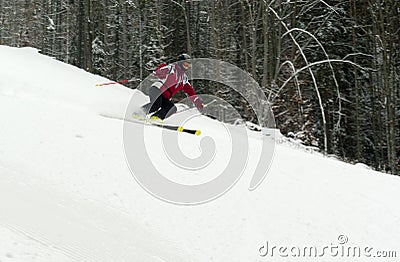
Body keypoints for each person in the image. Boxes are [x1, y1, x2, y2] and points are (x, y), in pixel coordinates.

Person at [141, 54, 203, 122]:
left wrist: (198, 102)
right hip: (158, 89)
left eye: (188, 66)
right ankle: (139, 113)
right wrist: (159, 71)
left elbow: (190, 92)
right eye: (185, 64)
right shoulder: (171, 68)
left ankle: (156, 118)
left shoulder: (183, 78)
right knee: (156, 104)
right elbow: (158, 72)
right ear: (180, 62)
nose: (186, 67)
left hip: (165, 96)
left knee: (172, 108)